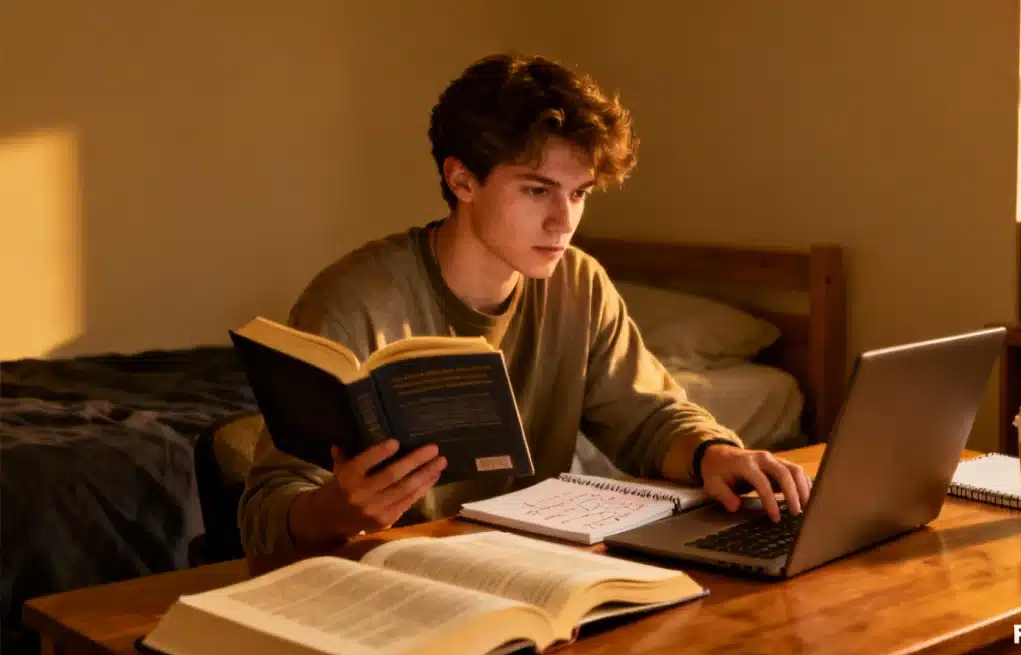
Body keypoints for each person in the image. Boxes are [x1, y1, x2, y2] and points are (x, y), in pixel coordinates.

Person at [238, 52, 813, 557]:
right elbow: (266, 508)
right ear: (462, 180)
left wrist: (713, 452)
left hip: (534, 564)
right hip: (394, 577)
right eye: (537, 190)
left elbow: (650, 417)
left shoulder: (580, 284)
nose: (564, 222)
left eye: (579, 194)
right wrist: (336, 511)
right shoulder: (354, 300)